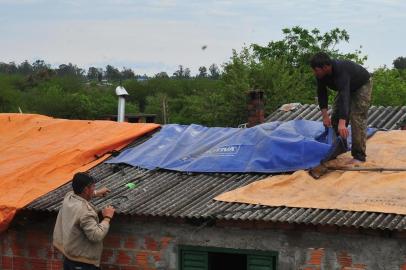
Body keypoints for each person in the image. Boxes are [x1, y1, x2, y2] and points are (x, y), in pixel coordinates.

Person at [310, 52, 372, 162]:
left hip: (361, 85)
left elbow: (345, 97)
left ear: (325, 67)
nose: (314, 72)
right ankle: (340, 147)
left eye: (316, 70)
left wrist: (343, 123)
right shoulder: (320, 75)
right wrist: (325, 116)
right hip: (345, 88)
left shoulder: (341, 71)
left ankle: (359, 154)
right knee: (335, 118)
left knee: (356, 117)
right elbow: (322, 94)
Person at [53, 172, 115, 270]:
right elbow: (96, 235)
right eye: (93, 187)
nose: (95, 188)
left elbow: (79, 195)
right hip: (82, 263)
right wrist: (107, 217)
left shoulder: (69, 197)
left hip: (69, 257)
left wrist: (96, 193)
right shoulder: (85, 212)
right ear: (86, 190)